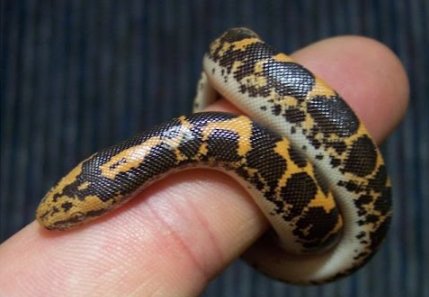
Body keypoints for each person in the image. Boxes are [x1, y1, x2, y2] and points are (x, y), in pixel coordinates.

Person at [0, 36, 409, 296]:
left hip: (341, 223)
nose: (60, 219)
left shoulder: (214, 134)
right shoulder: (207, 137)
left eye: (72, 216)